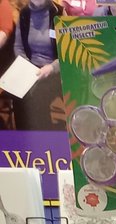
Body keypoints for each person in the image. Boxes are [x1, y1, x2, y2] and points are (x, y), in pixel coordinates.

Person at [13, 0, 63, 131]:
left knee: (39, 97)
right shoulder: (24, 13)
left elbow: (66, 53)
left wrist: (51, 68)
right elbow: (18, 47)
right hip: (30, 68)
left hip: (54, 69)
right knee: (17, 94)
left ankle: (46, 139)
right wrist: (27, 67)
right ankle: (25, 138)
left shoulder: (59, 13)